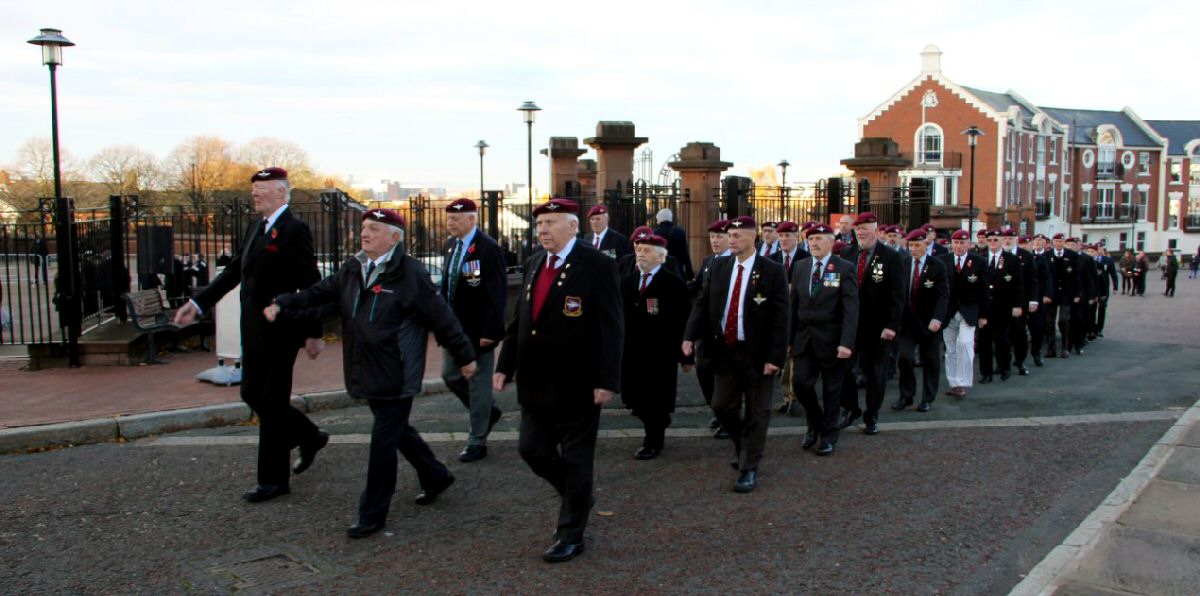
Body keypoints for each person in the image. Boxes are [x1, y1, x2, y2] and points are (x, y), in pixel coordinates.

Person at [265, 208, 477, 539]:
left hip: (398, 372)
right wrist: (283, 303)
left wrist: (465, 355)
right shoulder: (353, 268)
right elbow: (320, 293)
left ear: (394, 238)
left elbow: (442, 318)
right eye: (364, 227)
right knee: (396, 432)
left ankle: (372, 513)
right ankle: (435, 475)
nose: (365, 233)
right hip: (366, 368)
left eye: (374, 229)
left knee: (382, 444)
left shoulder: (410, 273)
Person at [174, 167, 329, 503]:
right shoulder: (256, 227)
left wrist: (313, 332)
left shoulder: (294, 230)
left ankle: (273, 481)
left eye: (262, 188)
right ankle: (308, 434)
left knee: (271, 402)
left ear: (282, 193)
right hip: (254, 330)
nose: (255, 193)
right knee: (251, 392)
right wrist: (199, 304)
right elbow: (233, 272)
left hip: (282, 329)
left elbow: (312, 282)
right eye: (254, 188)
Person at [493, 198, 623, 563]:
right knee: (531, 449)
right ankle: (577, 494)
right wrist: (506, 365)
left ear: (572, 226)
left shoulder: (597, 265)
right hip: (535, 383)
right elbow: (521, 321)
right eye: (539, 224)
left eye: (551, 223)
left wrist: (607, 379)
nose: (543, 230)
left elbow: (612, 327)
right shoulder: (535, 263)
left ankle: (570, 535)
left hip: (579, 384)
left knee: (578, 459)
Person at [683, 215, 788, 493]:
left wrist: (775, 357)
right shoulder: (718, 267)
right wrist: (689, 336)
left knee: (757, 411)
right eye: (729, 235)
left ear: (752, 237)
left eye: (737, 236)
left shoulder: (772, 271)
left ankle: (748, 468)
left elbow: (781, 318)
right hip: (725, 350)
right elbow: (703, 304)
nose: (731, 240)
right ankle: (743, 443)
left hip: (758, 353)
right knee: (721, 405)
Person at [440, 198, 507, 463]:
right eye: (449, 219)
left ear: (472, 219)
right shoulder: (450, 247)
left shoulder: (487, 249)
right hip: (453, 330)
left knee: (478, 384)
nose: (450, 223)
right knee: (450, 375)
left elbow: (497, 293)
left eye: (456, 219)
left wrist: (491, 330)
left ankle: (477, 439)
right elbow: (447, 287)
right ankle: (487, 413)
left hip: (478, 330)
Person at [788, 223, 857, 455]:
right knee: (801, 384)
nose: (814, 243)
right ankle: (814, 422)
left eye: (819, 239)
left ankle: (828, 435)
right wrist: (789, 340)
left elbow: (850, 309)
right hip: (805, 339)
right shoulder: (800, 267)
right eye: (810, 240)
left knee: (832, 391)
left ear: (830, 241)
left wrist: (846, 343)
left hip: (832, 341)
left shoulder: (843, 268)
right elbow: (792, 305)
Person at [620, 231, 690, 460]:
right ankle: (659, 420)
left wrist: (686, 355)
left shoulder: (673, 284)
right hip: (630, 352)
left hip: (660, 354)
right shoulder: (628, 281)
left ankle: (653, 441)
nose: (641, 254)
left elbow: (683, 320)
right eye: (638, 250)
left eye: (647, 251)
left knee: (654, 399)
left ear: (660, 257)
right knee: (631, 397)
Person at [837, 212, 904, 435]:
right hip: (851, 326)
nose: (862, 233)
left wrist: (892, 325)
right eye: (859, 229)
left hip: (879, 327)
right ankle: (851, 408)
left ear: (876, 231)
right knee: (844, 369)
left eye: (866, 229)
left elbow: (898, 295)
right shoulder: (847, 253)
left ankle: (871, 415)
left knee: (876, 374)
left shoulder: (892, 257)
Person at [892, 229, 949, 411]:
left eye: (917, 245)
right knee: (905, 358)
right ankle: (906, 395)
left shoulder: (937, 266)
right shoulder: (903, 263)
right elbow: (896, 293)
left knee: (931, 361)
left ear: (926, 245)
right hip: (907, 322)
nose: (914, 248)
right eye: (911, 245)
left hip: (929, 322)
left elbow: (943, 296)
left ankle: (927, 398)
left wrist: (937, 319)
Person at [689, 219, 732, 439]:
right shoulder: (708, 261)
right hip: (705, 332)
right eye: (712, 237)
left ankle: (727, 418)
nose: (715, 241)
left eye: (720, 237)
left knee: (724, 378)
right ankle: (717, 409)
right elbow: (695, 288)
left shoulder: (735, 262)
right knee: (703, 372)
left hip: (726, 332)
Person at [939, 230, 989, 398]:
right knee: (950, 349)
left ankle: (963, 382)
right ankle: (953, 382)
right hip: (948, 312)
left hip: (969, 310)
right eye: (956, 243)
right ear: (951, 244)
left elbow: (984, 291)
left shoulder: (979, 262)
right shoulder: (942, 261)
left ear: (969, 244)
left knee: (966, 344)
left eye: (962, 243)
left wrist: (983, 315)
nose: (959, 246)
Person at [769, 221, 808, 416]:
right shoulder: (772, 258)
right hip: (778, 317)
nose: (784, 239)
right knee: (783, 359)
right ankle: (787, 397)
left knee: (795, 359)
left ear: (797, 238)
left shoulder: (806, 257)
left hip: (800, 316)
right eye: (781, 236)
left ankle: (795, 398)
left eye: (788, 236)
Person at [977, 229, 1023, 383]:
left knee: (1001, 339)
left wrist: (1017, 305)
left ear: (1002, 241)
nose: (992, 243)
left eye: (996, 240)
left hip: (1003, 305)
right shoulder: (980, 258)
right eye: (989, 240)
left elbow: (1018, 285)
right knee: (984, 341)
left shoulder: (1012, 260)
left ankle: (1004, 367)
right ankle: (986, 373)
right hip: (984, 307)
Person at [1003, 229, 1036, 376]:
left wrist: (1033, 300)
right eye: (1005, 238)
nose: (1008, 241)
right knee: (1002, 334)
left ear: (1016, 239)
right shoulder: (997, 255)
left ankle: (1020, 360)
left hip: (1020, 301)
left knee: (1019, 333)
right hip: (1001, 302)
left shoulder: (1026, 256)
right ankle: (1003, 363)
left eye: (1011, 238)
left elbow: (1032, 280)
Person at [1044, 233, 1080, 359]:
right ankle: (1051, 348)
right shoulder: (1046, 255)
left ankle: (1065, 347)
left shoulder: (1072, 256)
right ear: (1052, 242)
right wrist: (1045, 294)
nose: (1058, 243)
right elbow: (1044, 277)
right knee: (1049, 322)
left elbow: (1077, 276)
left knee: (1063, 320)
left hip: (1066, 294)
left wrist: (1077, 294)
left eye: (1060, 241)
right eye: (1056, 241)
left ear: (1063, 242)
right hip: (1051, 294)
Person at [1024, 235, 1053, 366]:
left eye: (1028, 243)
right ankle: (1020, 357)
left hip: (1037, 296)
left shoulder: (1042, 258)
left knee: (1038, 328)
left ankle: (1036, 352)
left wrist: (1047, 294)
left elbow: (1047, 277)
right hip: (1021, 297)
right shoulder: (1017, 259)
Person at [653, 208, 694, 282]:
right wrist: (690, 274)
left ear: (659, 219)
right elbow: (685, 254)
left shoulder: (654, 233)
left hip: (660, 270)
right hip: (677, 270)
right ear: (670, 218)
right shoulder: (679, 232)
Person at [1094, 246, 1118, 337]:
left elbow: (1113, 274)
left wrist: (1115, 287)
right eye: (1097, 249)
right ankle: (1092, 328)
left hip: (1103, 288)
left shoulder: (1108, 260)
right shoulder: (1090, 259)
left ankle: (1099, 329)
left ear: (1103, 251)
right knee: (1092, 309)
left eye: (1100, 249)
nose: (1098, 250)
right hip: (1094, 288)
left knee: (1102, 308)